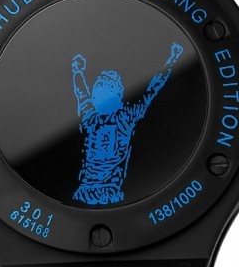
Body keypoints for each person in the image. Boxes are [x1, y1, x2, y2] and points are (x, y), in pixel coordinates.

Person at [72, 43, 184, 205]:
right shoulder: (97, 117)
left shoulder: (122, 116)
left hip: (107, 192)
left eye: (102, 86)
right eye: (98, 85)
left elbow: (153, 88)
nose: (95, 90)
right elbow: (81, 92)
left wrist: (172, 60)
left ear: (116, 94)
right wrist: (77, 71)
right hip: (88, 191)